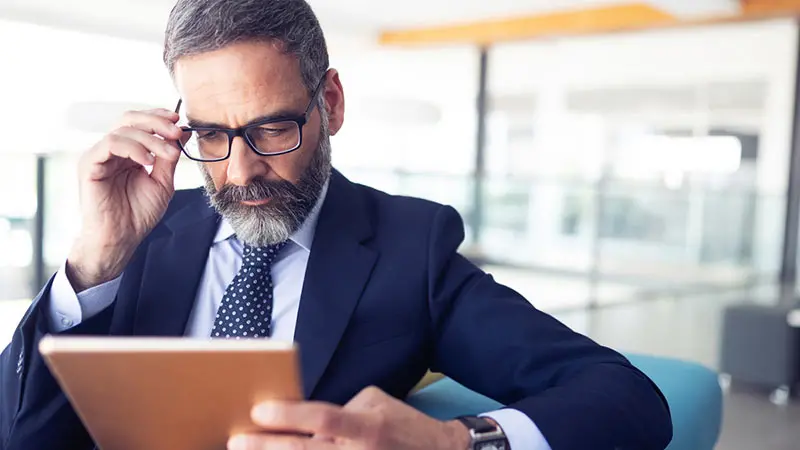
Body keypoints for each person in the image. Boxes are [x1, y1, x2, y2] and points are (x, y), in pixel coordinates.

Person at [0, 1, 672, 449]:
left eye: (271, 128)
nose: (238, 171)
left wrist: (454, 440)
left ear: (331, 103)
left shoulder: (412, 250)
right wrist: (95, 261)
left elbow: (627, 399)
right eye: (209, 135)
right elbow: (18, 432)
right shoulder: (137, 236)